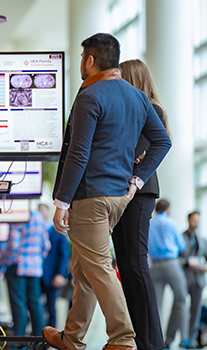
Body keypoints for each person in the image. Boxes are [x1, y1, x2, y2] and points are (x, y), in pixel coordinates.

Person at [42, 33, 171, 350]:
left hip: (90, 197)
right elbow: (162, 141)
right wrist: (137, 179)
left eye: (82, 59)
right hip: (117, 198)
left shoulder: (91, 95)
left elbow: (79, 153)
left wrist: (61, 202)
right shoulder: (137, 97)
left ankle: (123, 338)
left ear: (89, 60)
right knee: (84, 267)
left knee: (98, 268)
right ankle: (72, 337)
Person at [111, 58, 171, 350]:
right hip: (121, 192)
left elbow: (139, 151)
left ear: (133, 78)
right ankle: (137, 338)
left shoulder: (151, 108)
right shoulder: (129, 110)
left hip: (140, 192)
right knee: (126, 265)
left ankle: (152, 342)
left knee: (136, 264)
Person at [0, 209, 51, 336]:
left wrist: (6, 262)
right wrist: (38, 260)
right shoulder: (39, 216)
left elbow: (13, 246)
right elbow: (46, 245)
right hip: (35, 267)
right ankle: (39, 338)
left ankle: (19, 338)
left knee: (18, 304)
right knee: (35, 303)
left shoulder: (19, 215)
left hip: (18, 266)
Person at [149, 199, 189, 348]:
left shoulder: (150, 223)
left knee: (156, 305)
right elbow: (181, 246)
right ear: (167, 209)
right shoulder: (171, 223)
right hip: (171, 264)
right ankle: (184, 339)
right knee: (181, 300)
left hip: (154, 266)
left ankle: (157, 341)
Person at [179, 211, 206, 347]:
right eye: (194, 220)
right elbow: (175, 258)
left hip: (199, 280)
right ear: (188, 220)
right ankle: (181, 338)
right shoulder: (180, 237)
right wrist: (188, 262)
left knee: (196, 311)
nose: (196, 223)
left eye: (198, 220)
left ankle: (192, 339)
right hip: (184, 278)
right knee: (180, 309)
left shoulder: (202, 240)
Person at [41, 223, 70, 328]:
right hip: (37, 274)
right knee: (37, 306)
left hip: (52, 275)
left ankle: (52, 335)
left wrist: (60, 274)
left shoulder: (58, 231)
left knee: (51, 307)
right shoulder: (39, 227)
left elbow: (64, 254)